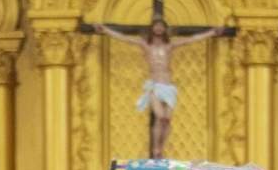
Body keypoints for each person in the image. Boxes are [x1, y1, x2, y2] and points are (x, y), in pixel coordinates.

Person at [93, 18, 227, 157]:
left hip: (168, 87)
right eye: (156, 26)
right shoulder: (146, 45)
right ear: (152, 28)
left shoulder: (169, 46)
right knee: (160, 116)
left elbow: (191, 39)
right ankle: (156, 148)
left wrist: (212, 32)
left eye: (161, 26)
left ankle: (161, 149)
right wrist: (105, 30)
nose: (158, 28)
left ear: (165, 29)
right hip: (155, 86)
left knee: (167, 119)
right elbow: (125, 38)